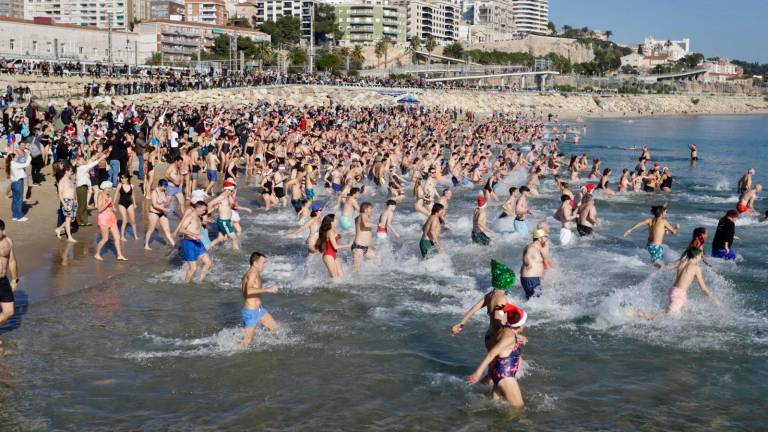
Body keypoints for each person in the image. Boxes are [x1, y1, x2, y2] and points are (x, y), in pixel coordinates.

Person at [465, 303, 528, 411]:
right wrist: (478, 373)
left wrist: (520, 337)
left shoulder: (505, 330)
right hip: (505, 376)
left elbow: (507, 339)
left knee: (493, 407)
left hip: (499, 374)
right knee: (518, 409)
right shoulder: (509, 337)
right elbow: (491, 354)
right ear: (521, 324)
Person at [634, 246, 721, 318]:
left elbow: (666, 268)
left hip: (673, 291)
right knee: (666, 317)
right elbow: (703, 288)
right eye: (700, 256)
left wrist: (659, 266)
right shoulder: (696, 268)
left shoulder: (681, 262)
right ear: (696, 256)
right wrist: (715, 300)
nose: (700, 259)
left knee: (680, 314)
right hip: (679, 294)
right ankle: (639, 313)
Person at [452, 260, 516, 351]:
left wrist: (461, 324)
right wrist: (513, 332)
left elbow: (473, 309)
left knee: (492, 363)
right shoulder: (502, 298)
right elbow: (499, 319)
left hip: (489, 336)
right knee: (508, 363)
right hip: (499, 337)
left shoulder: (490, 295)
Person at [240, 252, 279, 347]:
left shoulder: (254, 273)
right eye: (263, 263)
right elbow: (248, 291)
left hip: (259, 310)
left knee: (275, 328)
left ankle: (263, 343)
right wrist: (267, 289)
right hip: (251, 312)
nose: (264, 265)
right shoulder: (252, 273)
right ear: (255, 263)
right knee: (246, 343)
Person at [178, 201, 212, 283]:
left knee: (208, 263)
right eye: (203, 210)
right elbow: (181, 229)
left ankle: (200, 280)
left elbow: (195, 227)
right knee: (193, 268)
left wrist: (206, 222)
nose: (205, 212)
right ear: (198, 208)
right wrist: (195, 235)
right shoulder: (189, 217)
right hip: (189, 244)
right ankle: (186, 284)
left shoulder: (198, 217)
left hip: (198, 243)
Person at [94, 182, 127, 261]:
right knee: (105, 238)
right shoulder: (100, 196)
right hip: (103, 218)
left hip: (111, 217)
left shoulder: (109, 196)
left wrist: (113, 208)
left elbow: (111, 206)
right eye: (108, 188)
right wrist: (108, 202)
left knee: (117, 237)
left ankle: (119, 255)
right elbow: (99, 209)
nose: (109, 190)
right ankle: (97, 253)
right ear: (104, 188)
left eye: (110, 188)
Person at [520, 229, 552, 300]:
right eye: (545, 237)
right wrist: (527, 263)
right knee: (536, 301)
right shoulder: (531, 248)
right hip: (530, 279)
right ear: (540, 238)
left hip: (533, 279)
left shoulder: (538, 248)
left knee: (535, 300)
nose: (547, 239)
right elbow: (526, 256)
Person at [0, 220, 19, 343]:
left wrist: (14, 279)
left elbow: (12, 261)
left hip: (3, 281)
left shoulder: (8, 241)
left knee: (9, 311)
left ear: (3, 231)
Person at [144, 180, 176, 250]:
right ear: (159, 185)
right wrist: (165, 209)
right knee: (151, 230)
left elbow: (165, 203)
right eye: (164, 187)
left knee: (167, 231)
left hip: (162, 213)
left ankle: (174, 245)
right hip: (154, 213)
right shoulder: (154, 192)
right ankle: (146, 245)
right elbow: (155, 205)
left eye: (166, 187)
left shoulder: (163, 192)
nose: (165, 188)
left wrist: (168, 201)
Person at [208, 181, 239, 250]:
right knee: (234, 238)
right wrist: (209, 215)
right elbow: (210, 203)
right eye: (232, 190)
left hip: (225, 221)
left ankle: (206, 248)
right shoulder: (222, 197)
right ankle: (236, 254)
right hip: (224, 221)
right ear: (227, 189)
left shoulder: (227, 196)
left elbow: (231, 206)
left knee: (220, 238)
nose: (233, 192)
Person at [317, 214, 349, 279]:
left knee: (342, 276)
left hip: (334, 255)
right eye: (335, 219)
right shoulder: (330, 232)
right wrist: (347, 245)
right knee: (336, 278)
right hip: (328, 255)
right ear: (332, 221)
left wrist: (346, 234)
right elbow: (335, 247)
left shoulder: (333, 230)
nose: (337, 220)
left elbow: (337, 237)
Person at [55, 162, 77, 242]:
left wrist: (75, 200)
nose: (72, 173)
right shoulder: (62, 181)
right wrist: (64, 204)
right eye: (70, 171)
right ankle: (69, 237)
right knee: (68, 220)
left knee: (71, 219)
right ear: (66, 171)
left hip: (72, 200)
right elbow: (60, 194)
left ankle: (59, 229)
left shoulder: (70, 180)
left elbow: (73, 191)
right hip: (66, 201)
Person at [351, 202, 375, 271]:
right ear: (365, 209)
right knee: (356, 270)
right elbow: (365, 224)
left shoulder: (361, 217)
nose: (372, 210)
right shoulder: (362, 215)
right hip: (358, 247)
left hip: (365, 248)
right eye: (370, 208)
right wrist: (378, 225)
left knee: (377, 259)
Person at [114, 173, 138, 241]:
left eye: (123, 178)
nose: (122, 179)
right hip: (121, 204)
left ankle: (135, 236)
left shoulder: (132, 186)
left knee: (133, 221)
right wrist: (113, 204)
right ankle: (122, 237)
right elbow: (115, 195)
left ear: (127, 178)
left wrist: (135, 203)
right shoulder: (119, 185)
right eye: (121, 178)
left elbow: (133, 195)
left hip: (130, 203)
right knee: (125, 221)